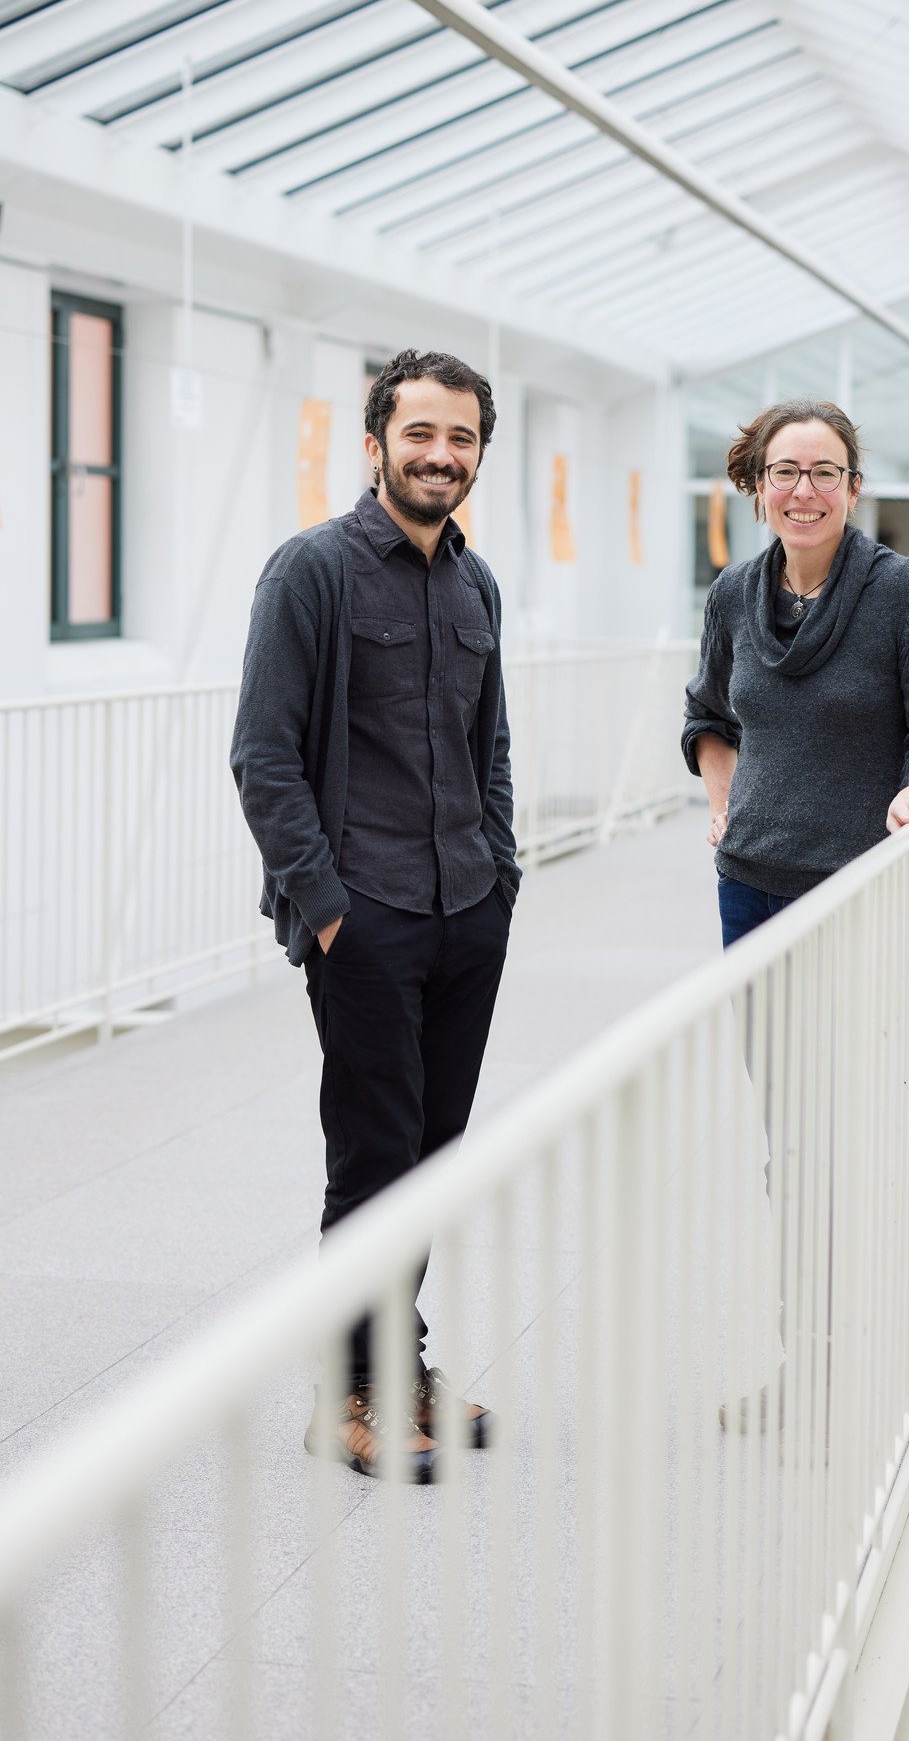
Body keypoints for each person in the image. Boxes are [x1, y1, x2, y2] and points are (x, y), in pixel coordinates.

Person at [231, 348, 520, 1483]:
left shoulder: (475, 583)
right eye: (420, 435)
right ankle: (350, 1393)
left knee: (432, 1156)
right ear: (376, 445)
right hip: (369, 915)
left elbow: (488, 745)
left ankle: (401, 1364)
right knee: (373, 1157)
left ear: (478, 455)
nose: (440, 455)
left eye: (460, 439)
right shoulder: (310, 573)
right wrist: (326, 905)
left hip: (465, 907)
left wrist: (501, 875)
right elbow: (263, 756)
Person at [682, 396, 909, 939]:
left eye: (824, 472)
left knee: (853, 1029)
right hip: (746, 883)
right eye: (785, 472)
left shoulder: (906, 593)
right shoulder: (731, 594)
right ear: (759, 484)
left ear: (853, 487)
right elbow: (706, 717)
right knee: (762, 1029)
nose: (804, 491)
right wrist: (726, 808)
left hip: (861, 884)